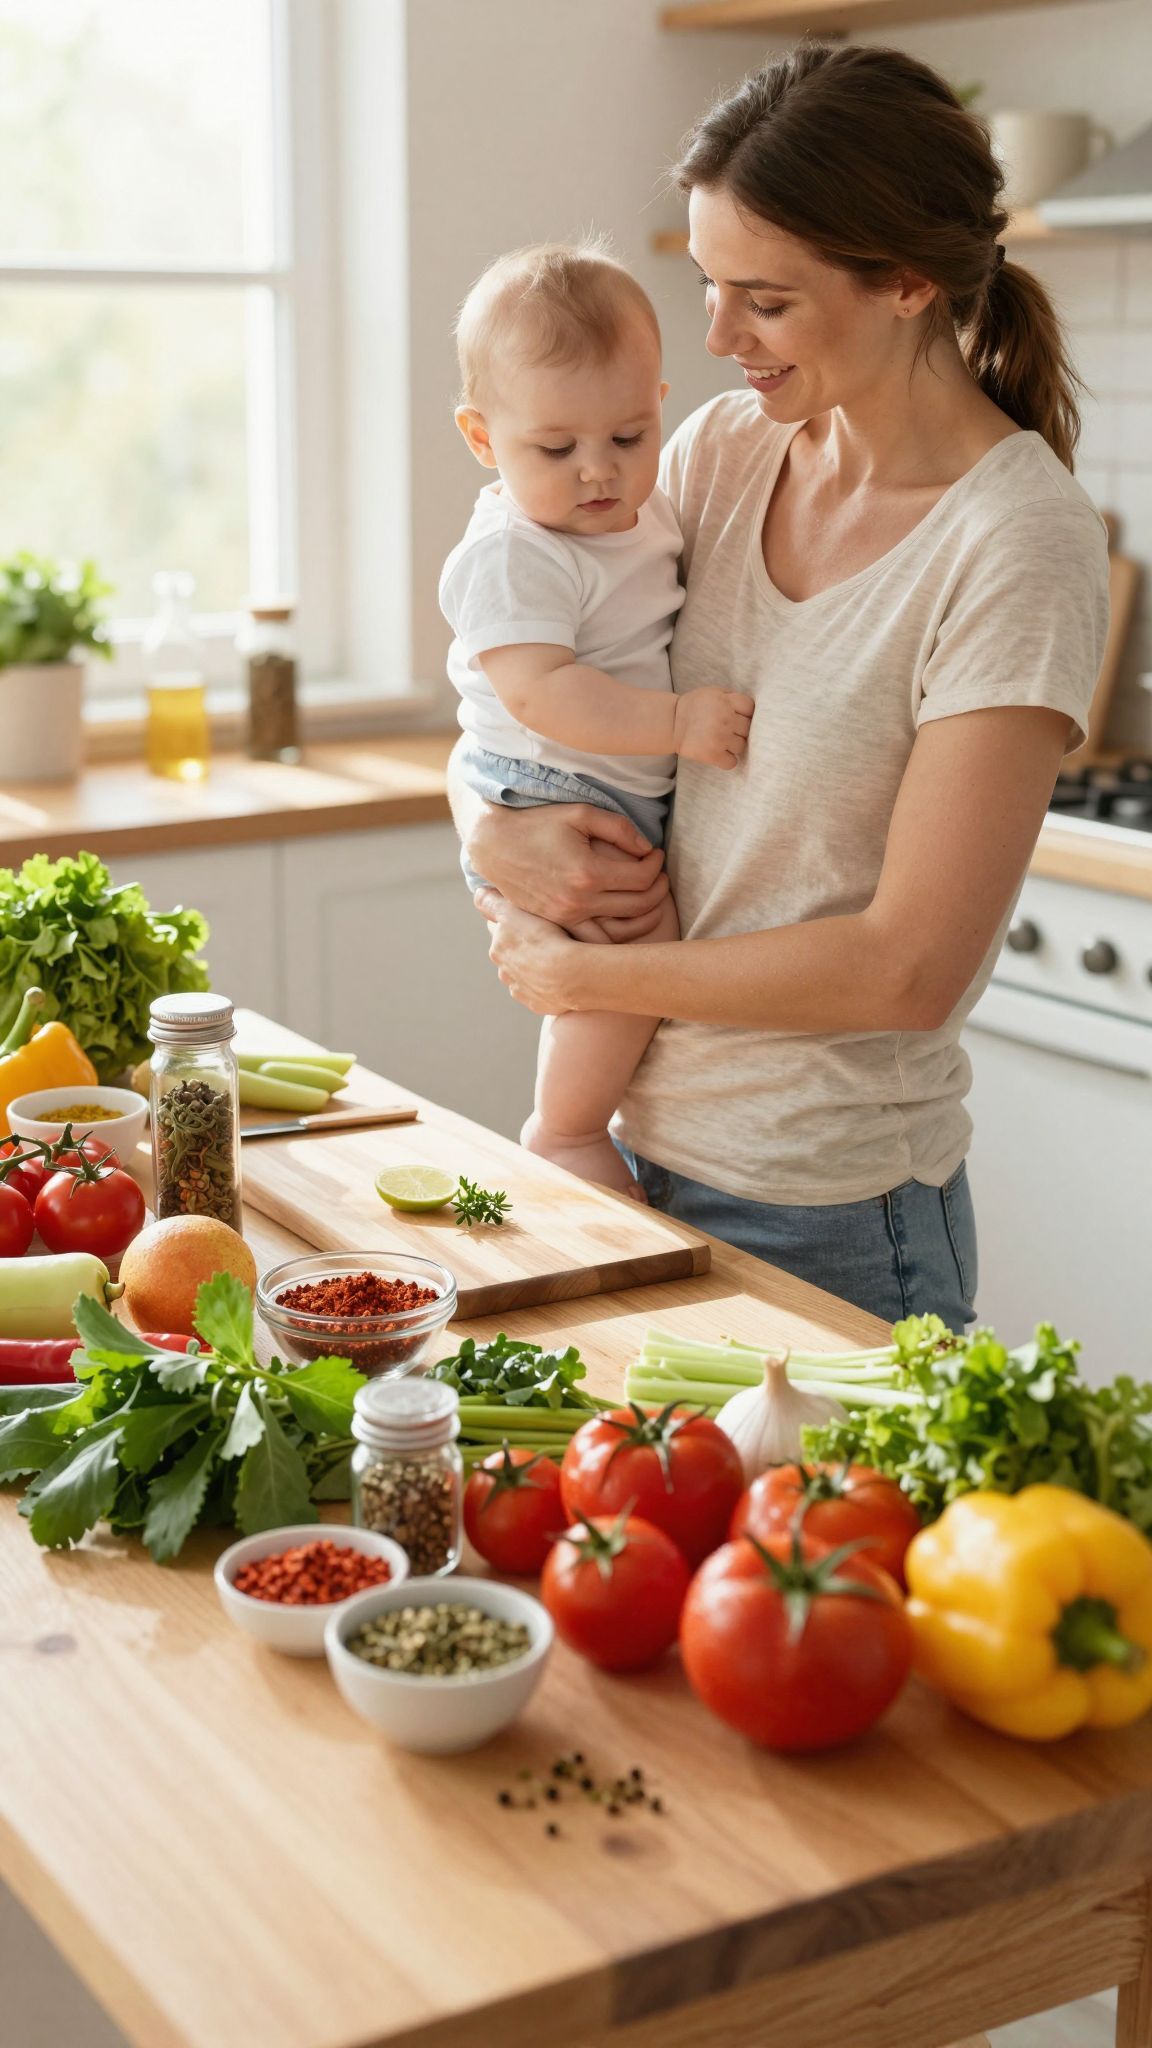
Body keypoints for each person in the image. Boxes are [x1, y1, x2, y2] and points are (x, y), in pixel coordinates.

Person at [449, 41, 1111, 1331]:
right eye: (707, 284)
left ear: (908, 282)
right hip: (633, 1156)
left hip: (832, 1208)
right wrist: (490, 826)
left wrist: (592, 979)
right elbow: (532, 679)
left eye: (763, 298)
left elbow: (906, 967)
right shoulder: (722, 452)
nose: (713, 335)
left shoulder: (1016, 542)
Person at [440, 243, 753, 1195]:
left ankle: (575, 1119)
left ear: (660, 402)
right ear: (484, 439)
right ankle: (567, 1128)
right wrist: (678, 724)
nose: (597, 472)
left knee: (633, 960)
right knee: (631, 961)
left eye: (627, 436)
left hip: (596, 783)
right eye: (556, 447)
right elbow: (543, 694)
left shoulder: (652, 503)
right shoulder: (514, 552)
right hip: (551, 781)